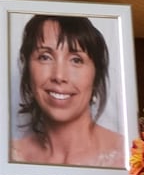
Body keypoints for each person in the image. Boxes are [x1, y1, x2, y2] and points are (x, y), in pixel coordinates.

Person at [11, 15, 125, 167]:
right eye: (45, 57)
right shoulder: (9, 155)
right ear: (27, 69)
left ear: (96, 75)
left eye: (76, 60)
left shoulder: (129, 156)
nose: (59, 76)